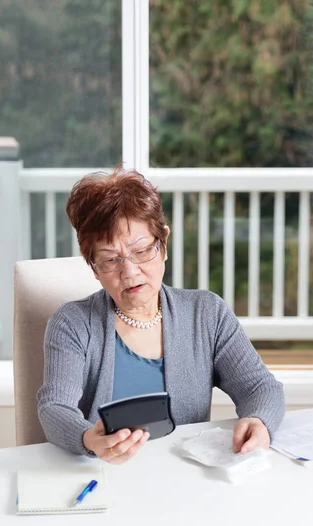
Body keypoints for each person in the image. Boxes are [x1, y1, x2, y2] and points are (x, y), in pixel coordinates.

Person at [37, 166, 285, 464]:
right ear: (92, 267)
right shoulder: (72, 324)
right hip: (104, 480)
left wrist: (259, 420)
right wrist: (88, 439)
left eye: (141, 251)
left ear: (163, 243)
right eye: (110, 260)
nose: (129, 272)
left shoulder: (206, 314)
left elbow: (260, 387)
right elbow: (55, 407)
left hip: (186, 481)